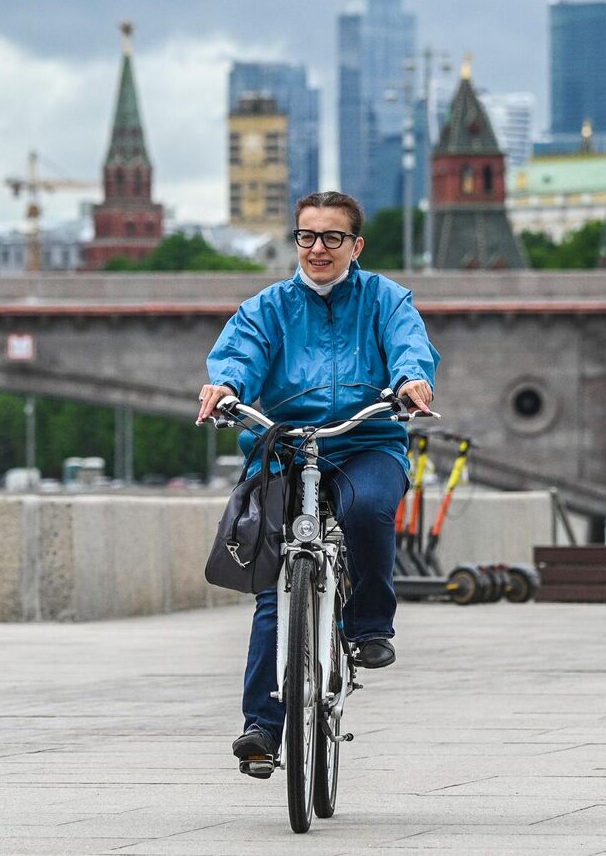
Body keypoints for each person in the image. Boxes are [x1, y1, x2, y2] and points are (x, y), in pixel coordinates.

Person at [197, 190, 439, 777]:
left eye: (333, 238)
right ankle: (261, 726)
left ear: (356, 246)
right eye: (307, 236)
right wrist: (226, 388)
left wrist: (410, 380)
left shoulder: (386, 300)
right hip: (285, 445)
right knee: (271, 584)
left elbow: (411, 346)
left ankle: (370, 626)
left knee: (368, 509)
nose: (318, 249)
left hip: (365, 441)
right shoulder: (268, 307)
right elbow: (240, 354)